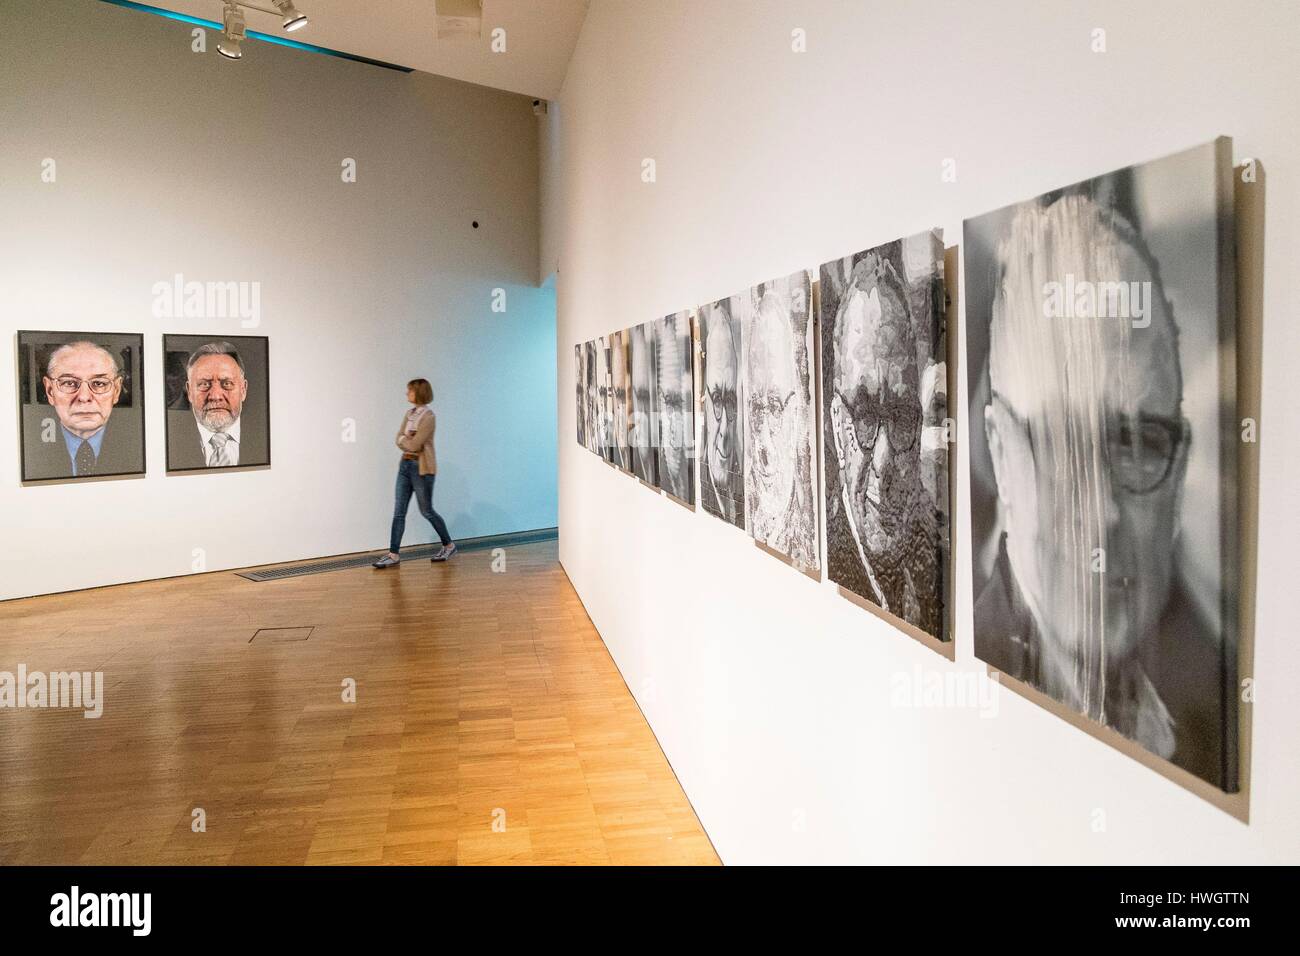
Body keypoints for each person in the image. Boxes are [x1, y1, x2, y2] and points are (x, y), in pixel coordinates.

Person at [974, 193, 1225, 785]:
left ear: (1181, 467)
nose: (1105, 512)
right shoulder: (980, 719)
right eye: (1064, 445)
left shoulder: (1210, 719)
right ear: (1002, 457)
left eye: (1140, 445)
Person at [828, 252, 940, 635]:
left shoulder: (935, 555)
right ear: (837, 424)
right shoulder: (828, 555)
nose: (884, 460)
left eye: (902, 416)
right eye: (865, 417)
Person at [373, 378, 456, 567]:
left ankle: (449, 545)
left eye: (409, 391)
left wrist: (407, 439)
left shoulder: (429, 416)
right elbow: (399, 438)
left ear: (419, 392)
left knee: (426, 511)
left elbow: (415, 444)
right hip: (405, 465)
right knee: (398, 512)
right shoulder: (409, 413)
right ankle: (393, 554)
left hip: (422, 468)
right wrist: (406, 439)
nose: (406, 393)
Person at [30, 340, 135, 479]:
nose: (84, 397)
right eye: (69, 383)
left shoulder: (135, 446)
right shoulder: (31, 449)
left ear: (116, 390)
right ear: (50, 391)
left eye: (99, 383)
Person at [169, 341, 267, 470]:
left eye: (227, 384)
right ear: (189, 391)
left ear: (243, 390)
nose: (215, 396)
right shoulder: (170, 443)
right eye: (204, 384)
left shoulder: (266, 441)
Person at [700, 299, 745, 526]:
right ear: (704, 402)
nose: (725, 429)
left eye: (730, 402)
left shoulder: (747, 485)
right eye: (717, 400)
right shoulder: (699, 483)